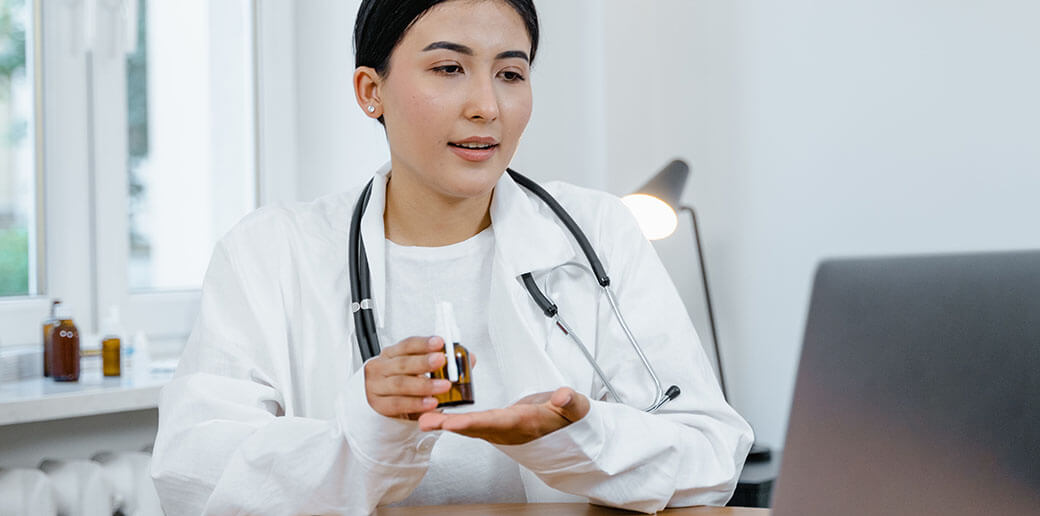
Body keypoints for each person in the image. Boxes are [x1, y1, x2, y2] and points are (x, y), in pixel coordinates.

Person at [150, 0, 753, 514]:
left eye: (511, 74)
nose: (487, 106)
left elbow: (711, 452)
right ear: (371, 91)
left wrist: (576, 436)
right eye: (448, 67)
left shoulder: (595, 232)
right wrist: (367, 431)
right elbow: (193, 473)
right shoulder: (270, 254)